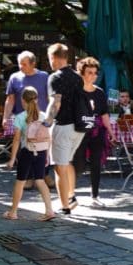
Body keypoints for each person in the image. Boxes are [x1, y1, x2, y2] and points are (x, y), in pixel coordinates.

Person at [2, 86, 56, 221]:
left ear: (22, 100)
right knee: (40, 180)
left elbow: (16, 140)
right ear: (37, 100)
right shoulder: (44, 116)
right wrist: (48, 155)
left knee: (20, 182)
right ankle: (49, 210)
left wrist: (12, 158)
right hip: (42, 151)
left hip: (27, 152)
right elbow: (49, 137)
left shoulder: (20, 117)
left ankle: (13, 212)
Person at [46, 45, 85, 215]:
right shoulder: (78, 77)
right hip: (79, 128)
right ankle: (71, 196)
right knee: (68, 161)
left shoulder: (55, 77)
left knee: (59, 167)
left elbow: (56, 102)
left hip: (62, 126)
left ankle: (65, 207)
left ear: (54, 57)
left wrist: (46, 123)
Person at [73, 58, 115, 205]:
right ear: (82, 73)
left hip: (97, 131)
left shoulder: (99, 92)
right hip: (79, 131)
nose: (92, 76)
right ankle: (70, 194)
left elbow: (104, 113)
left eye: (95, 73)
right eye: (89, 72)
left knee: (96, 163)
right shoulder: (76, 92)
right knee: (78, 164)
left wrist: (110, 130)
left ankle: (95, 195)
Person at [2, 51, 50, 133]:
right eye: (20, 64)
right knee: (18, 143)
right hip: (20, 121)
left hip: (40, 121)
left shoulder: (44, 76)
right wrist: (5, 118)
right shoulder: (14, 78)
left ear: (33, 64)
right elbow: (10, 100)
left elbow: (49, 98)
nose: (21, 67)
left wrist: (50, 117)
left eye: (24, 64)